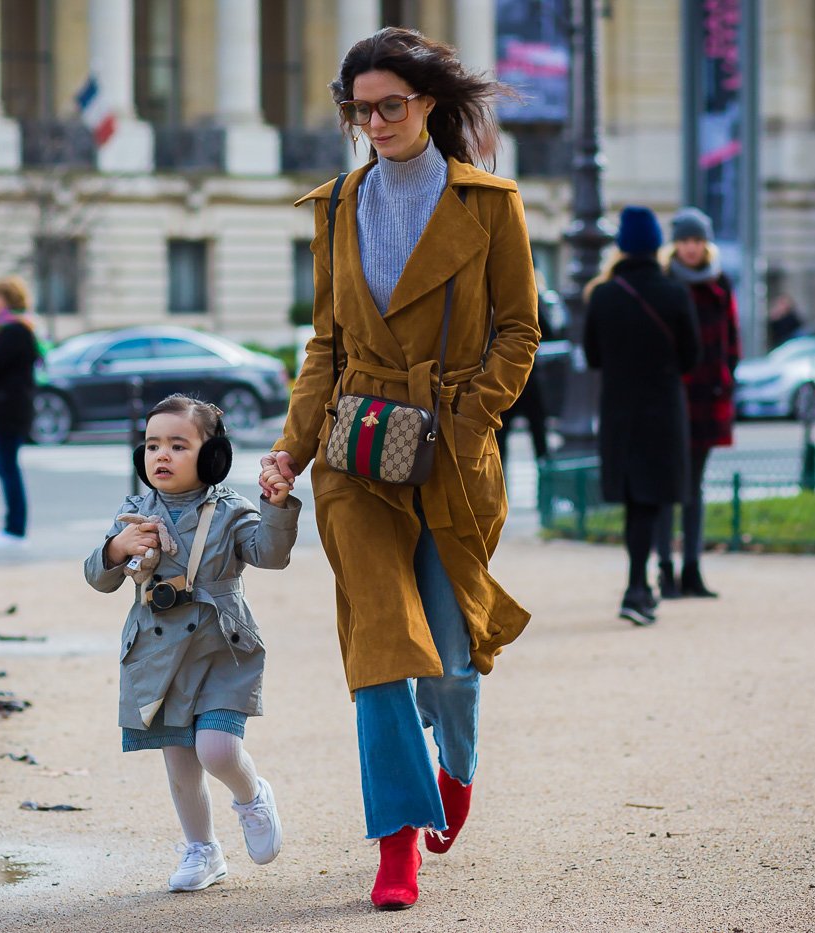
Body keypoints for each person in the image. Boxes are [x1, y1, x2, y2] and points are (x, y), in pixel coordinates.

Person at [258, 27, 540, 911]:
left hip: (451, 456)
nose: (374, 122)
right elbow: (326, 343)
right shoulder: (337, 205)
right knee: (382, 648)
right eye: (359, 108)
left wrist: (469, 410)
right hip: (357, 453)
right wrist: (291, 448)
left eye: (391, 104)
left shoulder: (491, 205)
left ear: (429, 103)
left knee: (450, 665)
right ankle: (396, 843)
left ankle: (455, 768)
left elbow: (519, 331)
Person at [85, 395, 298, 892]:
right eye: (153, 444)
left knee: (218, 749)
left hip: (221, 645)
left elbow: (270, 553)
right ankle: (202, 850)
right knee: (179, 758)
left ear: (213, 457)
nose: (161, 455)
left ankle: (251, 796)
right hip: (158, 654)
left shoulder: (229, 510)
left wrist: (277, 505)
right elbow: (99, 578)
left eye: (178, 445)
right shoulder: (134, 511)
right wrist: (118, 549)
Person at [583, 206, 699, 626]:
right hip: (662, 410)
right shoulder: (674, 293)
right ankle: (638, 587)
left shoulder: (604, 294)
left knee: (636, 500)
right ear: (656, 245)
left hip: (619, 411)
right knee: (651, 500)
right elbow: (692, 356)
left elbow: (593, 355)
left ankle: (638, 585)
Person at [654, 207, 741, 600]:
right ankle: (665, 571)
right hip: (674, 396)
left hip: (709, 396)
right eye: (685, 240)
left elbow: (732, 339)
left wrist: (726, 377)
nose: (691, 248)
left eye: (697, 241)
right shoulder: (665, 281)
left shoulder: (720, 283)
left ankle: (692, 569)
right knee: (668, 486)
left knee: (694, 487)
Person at [0, 275, 41, 549]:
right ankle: (13, 527)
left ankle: (15, 529)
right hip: (7, 411)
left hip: (8, 412)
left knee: (7, 468)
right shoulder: (13, 330)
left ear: (7, 301)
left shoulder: (13, 332)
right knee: (5, 468)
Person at [495, 286, 560, 464]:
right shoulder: (526, 295)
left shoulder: (489, 298)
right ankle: (544, 476)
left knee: (500, 437)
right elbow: (548, 331)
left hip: (499, 377)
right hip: (527, 376)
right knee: (538, 432)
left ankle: (500, 483)